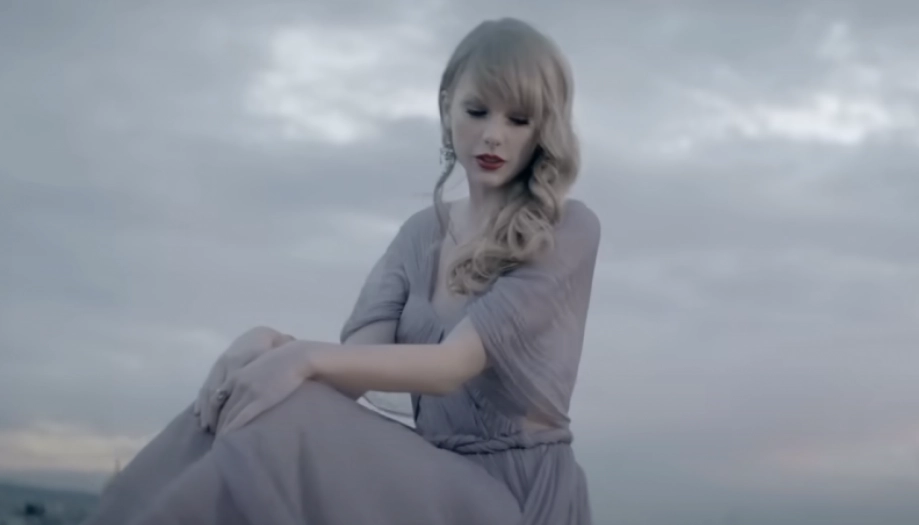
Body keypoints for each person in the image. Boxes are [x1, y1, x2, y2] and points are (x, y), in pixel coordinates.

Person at [83, 16, 601, 525]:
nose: (492, 135)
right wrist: (271, 346)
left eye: (518, 120)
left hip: (517, 495)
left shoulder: (566, 229)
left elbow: (451, 366)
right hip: (431, 476)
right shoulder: (420, 234)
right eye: (477, 111)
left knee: (283, 412)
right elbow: (352, 368)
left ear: (543, 129)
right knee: (258, 397)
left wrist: (298, 357)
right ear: (447, 108)